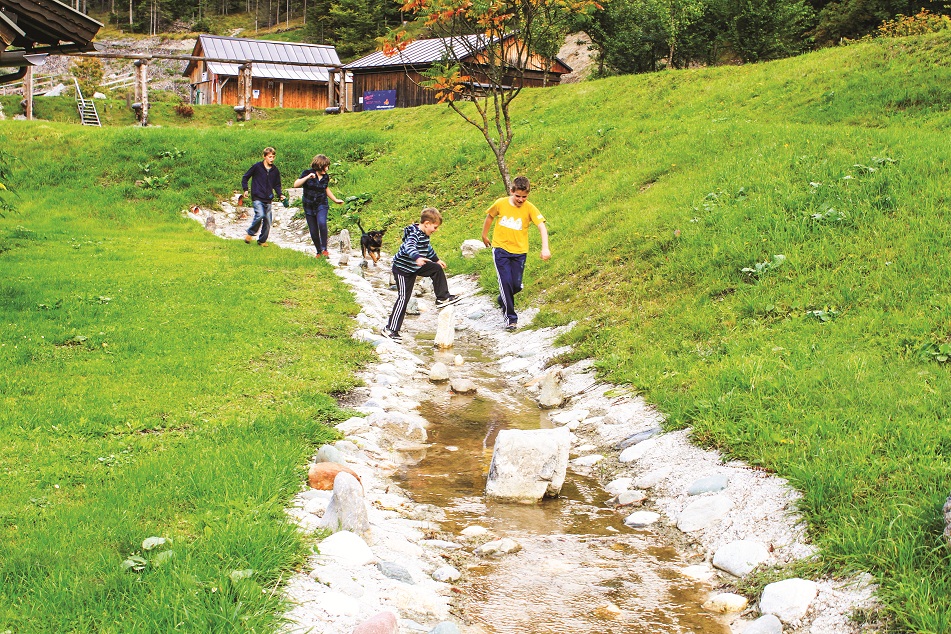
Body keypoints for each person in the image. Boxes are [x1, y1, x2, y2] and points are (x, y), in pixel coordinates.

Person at [381, 207, 462, 342]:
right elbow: (409, 247)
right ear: (426, 224)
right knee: (403, 298)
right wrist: (417, 257)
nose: (436, 230)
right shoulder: (414, 234)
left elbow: (428, 249)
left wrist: (436, 260)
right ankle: (390, 329)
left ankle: (442, 297)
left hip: (415, 266)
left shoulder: (425, 235)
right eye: (435, 227)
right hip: (402, 269)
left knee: (436, 268)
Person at [481, 175, 551, 331]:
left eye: (524, 197)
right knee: (505, 282)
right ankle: (511, 319)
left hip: (520, 252)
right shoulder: (500, 203)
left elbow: (541, 227)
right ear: (511, 191)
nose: (521, 200)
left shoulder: (530, 208)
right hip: (501, 250)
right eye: (518, 196)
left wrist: (545, 247)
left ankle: (503, 299)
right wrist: (484, 235)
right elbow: (489, 217)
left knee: (516, 286)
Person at [293, 154, 344, 258]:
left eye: (327, 166)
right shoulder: (307, 173)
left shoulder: (326, 177)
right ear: (319, 165)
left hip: (322, 204)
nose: (327, 168)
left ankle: (324, 249)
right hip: (309, 205)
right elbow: (296, 184)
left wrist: (335, 200)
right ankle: (318, 251)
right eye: (325, 166)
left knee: (322, 223)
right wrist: (307, 177)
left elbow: (326, 188)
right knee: (313, 230)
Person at [242, 147, 284, 247]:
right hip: (257, 197)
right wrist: (246, 189)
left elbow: (277, 185)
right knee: (260, 215)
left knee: (268, 221)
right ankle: (250, 233)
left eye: (273, 157)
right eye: (270, 157)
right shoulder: (257, 167)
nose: (272, 159)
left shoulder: (275, 170)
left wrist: (280, 195)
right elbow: (245, 177)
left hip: (268, 198)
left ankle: (262, 240)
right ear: (264, 157)